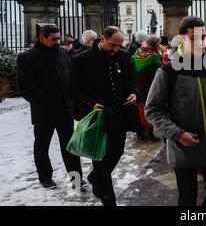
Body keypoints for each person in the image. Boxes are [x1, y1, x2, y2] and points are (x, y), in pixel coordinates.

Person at [145, 16, 206, 206]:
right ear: (181, 39)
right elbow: (153, 109)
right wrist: (177, 135)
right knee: (187, 198)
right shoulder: (168, 71)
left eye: (203, 37)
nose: (200, 43)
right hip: (183, 146)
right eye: (194, 38)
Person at [70, 26, 139, 206]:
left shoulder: (123, 56)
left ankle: (95, 177)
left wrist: (133, 92)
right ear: (102, 39)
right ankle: (109, 199)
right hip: (97, 117)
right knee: (100, 159)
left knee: (117, 152)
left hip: (120, 115)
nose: (115, 49)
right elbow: (72, 89)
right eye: (112, 45)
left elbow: (132, 78)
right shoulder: (81, 60)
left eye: (118, 45)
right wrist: (89, 103)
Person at [16, 24, 85, 190]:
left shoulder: (62, 52)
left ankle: (76, 179)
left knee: (71, 147)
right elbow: (24, 86)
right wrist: (44, 99)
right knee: (42, 146)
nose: (58, 42)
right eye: (53, 39)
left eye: (59, 38)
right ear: (42, 38)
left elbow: (69, 76)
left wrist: (72, 99)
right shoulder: (27, 56)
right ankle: (45, 178)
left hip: (64, 109)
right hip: (43, 112)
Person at [133, 35, 162, 142]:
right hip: (150, 84)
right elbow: (161, 68)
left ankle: (144, 130)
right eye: (159, 43)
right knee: (151, 106)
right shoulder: (154, 56)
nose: (160, 45)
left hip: (139, 84)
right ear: (154, 45)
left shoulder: (138, 52)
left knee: (141, 107)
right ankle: (149, 131)